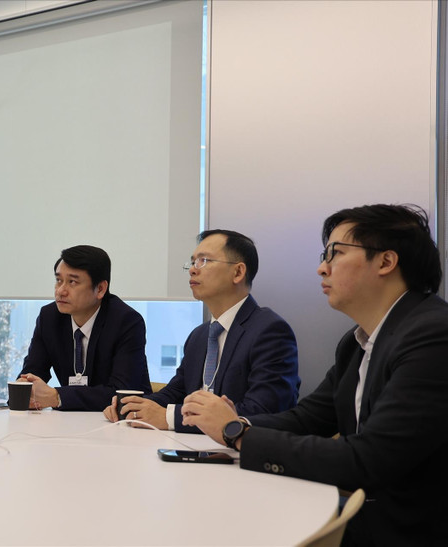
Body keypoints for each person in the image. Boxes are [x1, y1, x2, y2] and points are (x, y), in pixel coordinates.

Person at [181, 204, 448, 545]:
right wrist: (236, 424)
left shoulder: (433, 335)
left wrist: (236, 432)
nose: (322, 268)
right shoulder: (357, 342)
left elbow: (368, 459)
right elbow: (308, 418)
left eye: (335, 254)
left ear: (385, 261)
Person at [104, 230, 300, 431]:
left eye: (203, 261)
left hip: (240, 454)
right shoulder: (199, 335)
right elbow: (175, 391)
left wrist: (170, 418)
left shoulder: (269, 331)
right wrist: (132, 407)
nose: (192, 270)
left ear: (238, 272)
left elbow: (264, 410)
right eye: (192, 262)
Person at [17, 245, 150, 411]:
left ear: (100, 289)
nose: (61, 291)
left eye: (72, 282)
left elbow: (121, 393)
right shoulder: (49, 317)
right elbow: (33, 372)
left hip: (123, 424)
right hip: (69, 422)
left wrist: (57, 397)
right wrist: (25, 386)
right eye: (58, 280)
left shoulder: (126, 322)